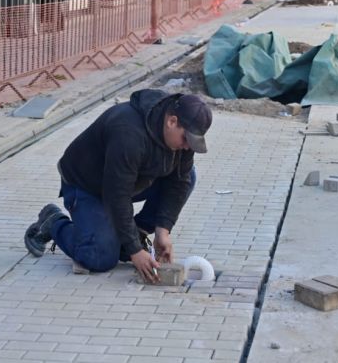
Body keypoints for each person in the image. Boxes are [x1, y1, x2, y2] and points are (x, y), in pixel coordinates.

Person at [24, 89, 213, 283]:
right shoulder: (128, 132)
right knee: (100, 257)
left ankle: (133, 233)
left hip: (127, 181)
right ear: (172, 121)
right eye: (186, 139)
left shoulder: (180, 138)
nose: (187, 146)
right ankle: (53, 222)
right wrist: (135, 251)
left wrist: (162, 230)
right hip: (87, 186)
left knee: (188, 175)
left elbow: (179, 182)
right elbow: (117, 194)